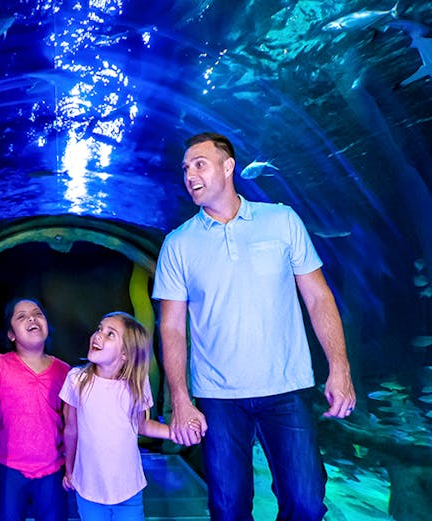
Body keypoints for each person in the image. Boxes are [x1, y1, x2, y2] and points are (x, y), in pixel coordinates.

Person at [152, 132, 357, 521]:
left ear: (228, 166)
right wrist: (180, 399)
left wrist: (340, 367)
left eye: (200, 164)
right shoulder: (177, 244)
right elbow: (172, 328)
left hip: (287, 386)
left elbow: (318, 297)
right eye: (185, 168)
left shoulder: (281, 220)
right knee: (227, 508)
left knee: (306, 502)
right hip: (218, 395)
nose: (190, 175)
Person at [60, 312, 190, 520]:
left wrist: (174, 432)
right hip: (89, 488)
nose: (98, 335)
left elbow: (142, 425)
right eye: (100, 328)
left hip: (128, 489)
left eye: (110, 334)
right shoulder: (76, 379)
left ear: (125, 354)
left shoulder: (136, 384)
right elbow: (71, 429)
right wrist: (69, 470)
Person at [0, 298, 71, 521]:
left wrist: (71, 467)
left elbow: (73, 425)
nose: (32, 318)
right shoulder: (0, 365)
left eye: (38, 314)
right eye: (21, 316)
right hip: (7, 468)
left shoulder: (65, 371)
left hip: (52, 469)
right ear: (11, 334)